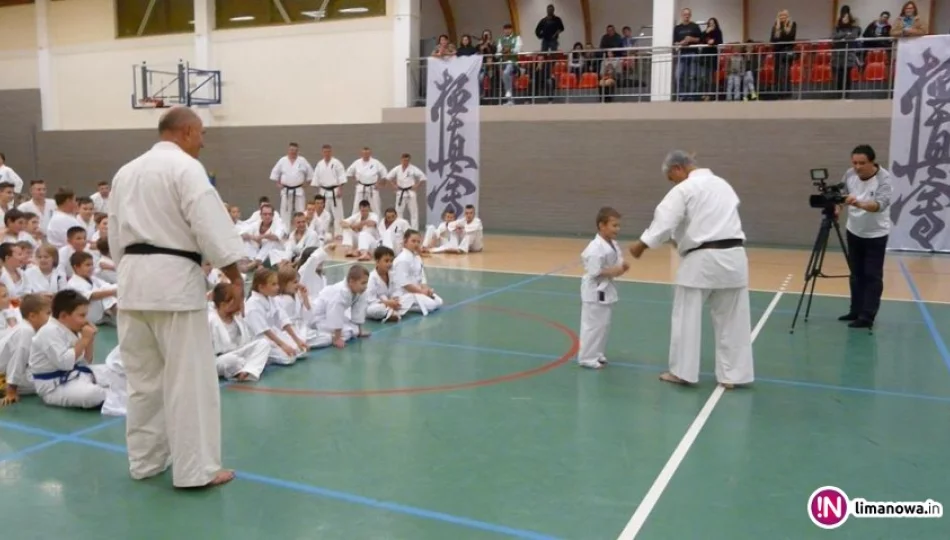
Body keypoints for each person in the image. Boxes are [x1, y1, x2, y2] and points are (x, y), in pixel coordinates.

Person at [108, 106, 246, 488]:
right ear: (186, 131)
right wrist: (234, 275)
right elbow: (209, 224)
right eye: (201, 134)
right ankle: (195, 469)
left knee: (143, 382)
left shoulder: (125, 172)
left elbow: (115, 236)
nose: (203, 142)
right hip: (174, 285)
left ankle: (146, 462)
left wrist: (131, 272)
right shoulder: (186, 168)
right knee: (189, 381)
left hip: (132, 283)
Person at [628, 150, 754, 389]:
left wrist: (641, 244)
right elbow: (706, 220)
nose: (672, 182)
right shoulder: (723, 185)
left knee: (686, 317)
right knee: (733, 320)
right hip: (735, 257)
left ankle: (682, 372)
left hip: (703, 261)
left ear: (678, 168)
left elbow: (664, 222)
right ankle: (732, 376)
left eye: (671, 178)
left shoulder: (684, 189)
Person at [838, 144, 893, 329]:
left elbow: (879, 205)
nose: (858, 167)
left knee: (872, 275)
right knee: (856, 274)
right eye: (854, 162)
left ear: (872, 162)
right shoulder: (849, 174)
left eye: (862, 163)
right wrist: (838, 207)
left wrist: (857, 203)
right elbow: (841, 195)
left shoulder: (884, 179)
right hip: (854, 231)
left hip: (876, 234)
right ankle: (855, 309)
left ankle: (867, 316)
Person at [28, 289, 107, 409]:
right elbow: (65, 363)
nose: (86, 320)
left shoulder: (72, 327)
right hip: (54, 387)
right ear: (63, 316)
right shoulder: (49, 331)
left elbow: (86, 362)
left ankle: (109, 390)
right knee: (93, 395)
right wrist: (84, 340)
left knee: (119, 371)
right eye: (82, 315)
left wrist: (90, 339)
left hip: (75, 376)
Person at [578, 207, 629, 369]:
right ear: (602, 225)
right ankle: (587, 357)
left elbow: (618, 263)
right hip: (595, 290)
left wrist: (620, 268)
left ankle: (597, 353)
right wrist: (615, 270)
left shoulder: (613, 244)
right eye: (614, 225)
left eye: (618, 226)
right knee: (593, 325)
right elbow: (595, 271)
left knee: (603, 324)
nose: (617, 229)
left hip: (605, 289)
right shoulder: (595, 248)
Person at [208, 283, 271, 382]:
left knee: (264, 343)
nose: (238, 306)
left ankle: (246, 371)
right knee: (231, 360)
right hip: (220, 359)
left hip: (238, 352)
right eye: (234, 303)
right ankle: (246, 368)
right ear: (223, 305)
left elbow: (248, 340)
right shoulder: (211, 320)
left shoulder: (237, 318)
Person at [0, 294, 49, 405]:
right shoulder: (26, 331)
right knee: (43, 382)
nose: (50, 318)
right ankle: (7, 387)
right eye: (48, 313)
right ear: (32, 316)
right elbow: (17, 360)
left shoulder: (28, 328)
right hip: (2, 376)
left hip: (6, 371)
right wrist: (11, 391)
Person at [270, 142, 313, 217]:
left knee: (301, 211)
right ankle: (285, 228)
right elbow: (275, 173)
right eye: (291, 150)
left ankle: (301, 227)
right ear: (288, 150)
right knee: (285, 212)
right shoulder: (282, 160)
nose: (293, 152)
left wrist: (307, 183)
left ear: (298, 151)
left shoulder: (302, 160)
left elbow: (311, 173)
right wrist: (278, 184)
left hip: (299, 189)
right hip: (286, 190)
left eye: (295, 150)